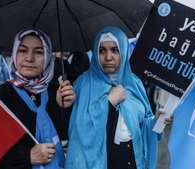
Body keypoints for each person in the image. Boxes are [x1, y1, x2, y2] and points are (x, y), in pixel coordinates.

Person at [65, 26, 159, 169]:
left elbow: (143, 125)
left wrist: (157, 121)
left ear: (124, 50)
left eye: (115, 50)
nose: (108, 57)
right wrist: (109, 102)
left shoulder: (134, 83)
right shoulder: (83, 84)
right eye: (102, 50)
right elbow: (80, 132)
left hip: (132, 161)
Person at [0, 29, 75, 169]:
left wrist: (66, 108)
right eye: (23, 50)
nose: (29, 58)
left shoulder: (57, 91)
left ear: (48, 56)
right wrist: (27, 156)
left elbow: (66, 135)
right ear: (14, 54)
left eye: (39, 52)